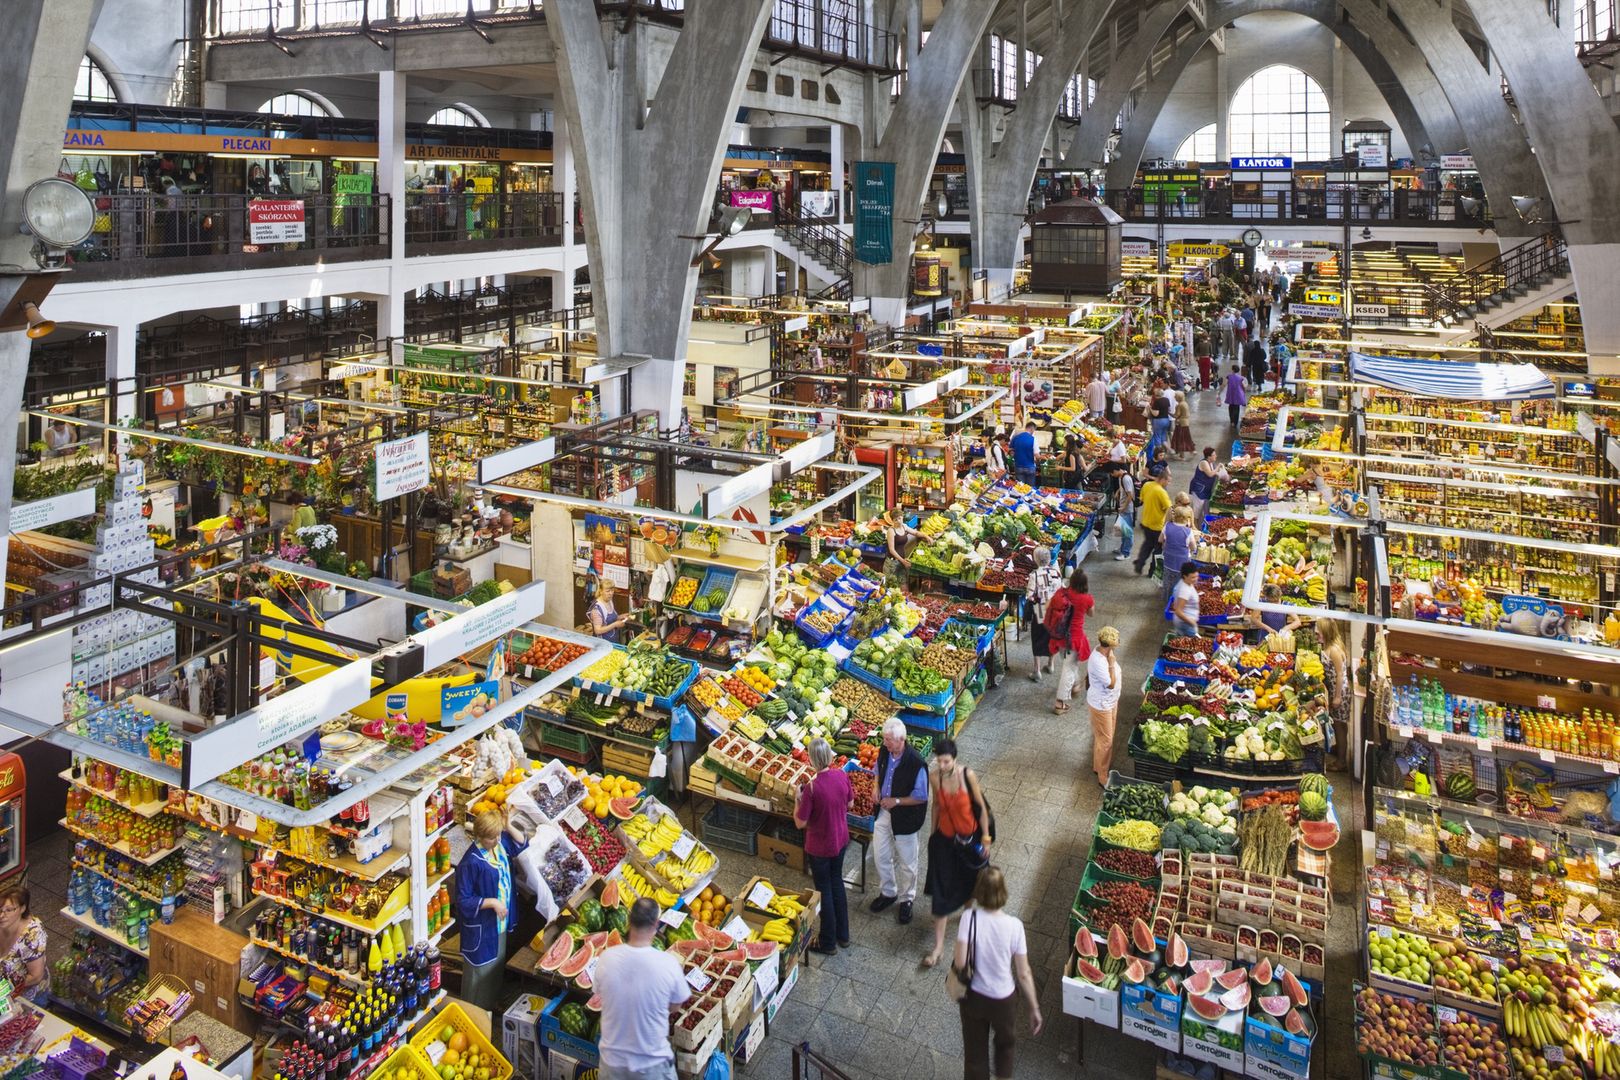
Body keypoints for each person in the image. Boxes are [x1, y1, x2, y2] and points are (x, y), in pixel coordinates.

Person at [954, 867, 1042, 1080]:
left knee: (975, 1055)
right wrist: (1034, 1007)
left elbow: (960, 962)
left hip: (974, 996)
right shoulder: (1015, 926)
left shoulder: (969, 918)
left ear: (979, 891)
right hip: (1004, 1000)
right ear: (1003, 891)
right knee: (1005, 1047)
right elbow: (1024, 973)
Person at [595, 897, 691, 1080]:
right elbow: (676, 1005)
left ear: (629, 921)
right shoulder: (668, 963)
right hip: (652, 1065)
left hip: (612, 1064)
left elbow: (601, 994)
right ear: (656, 924)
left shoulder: (606, 958)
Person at [922, 738, 991, 968]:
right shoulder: (934, 778)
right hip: (944, 840)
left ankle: (968, 912)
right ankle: (938, 948)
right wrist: (933, 834)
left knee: (971, 883)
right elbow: (936, 806)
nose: (942, 765)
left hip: (969, 840)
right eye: (939, 761)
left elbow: (980, 808)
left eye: (946, 761)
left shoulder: (967, 776)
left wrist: (986, 838)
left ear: (955, 759)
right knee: (941, 891)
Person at [454, 808, 525, 1011]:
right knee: (479, 977)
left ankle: (488, 1010)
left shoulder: (500, 845)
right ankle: (473, 1016)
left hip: (499, 924)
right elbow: (463, 900)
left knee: (494, 970)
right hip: (482, 930)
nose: (496, 840)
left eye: (497, 835)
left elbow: (521, 843)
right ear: (479, 836)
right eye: (490, 838)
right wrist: (492, 902)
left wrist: (508, 824)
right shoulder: (471, 863)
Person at [795, 738, 853, 954]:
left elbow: (800, 822)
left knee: (825, 890)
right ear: (829, 756)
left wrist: (797, 801)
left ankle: (827, 942)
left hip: (820, 847)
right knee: (837, 883)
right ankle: (843, 935)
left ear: (811, 760)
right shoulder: (841, 775)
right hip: (840, 841)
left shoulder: (812, 788)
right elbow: (850, 804)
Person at [871, 717, 928, 924]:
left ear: (901, 739)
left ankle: (907, 899)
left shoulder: (916, 762)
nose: (885, 743)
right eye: (885, 739)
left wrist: (896, 801)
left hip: (906, 819)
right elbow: (878, 769)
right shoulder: (885, 751)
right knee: (881, 854)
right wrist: (876, 787)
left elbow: (921, 796)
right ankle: (888, 892)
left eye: (889, 740)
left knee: (908, 862)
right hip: (884, 814)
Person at [1047, 567, 1095, 714]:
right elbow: (1092, 613)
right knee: (1068, 668)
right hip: (1074, 638)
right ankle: (1059, 703)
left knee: (1069, 664)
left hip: (1059, 635)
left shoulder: (1062, 593)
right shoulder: (1087, 598)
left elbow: (1050, 605)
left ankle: (1074, 685)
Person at [1085, 627, 1123, 785]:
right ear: (1110, 645)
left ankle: (1098, 765)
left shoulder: (1104, 654)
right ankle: (1102, 776)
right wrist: (1112, 664)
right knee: (1106, 740)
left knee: (1104, 737)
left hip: (1110, 701)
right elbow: (1110, 684)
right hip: (1102, 705)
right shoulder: (1100, 660)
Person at [0, 888, 47, 1003]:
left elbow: (36, 977)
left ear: (22, 908)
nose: (1, 915)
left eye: (9, 910)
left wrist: (5, 990)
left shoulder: (32, 936)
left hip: (23, 996)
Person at [1026, 545, 1062, 682]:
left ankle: (1037, 670)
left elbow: (1030, 596)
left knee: (1038, 638)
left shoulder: (1034, 575)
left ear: (1036, 559)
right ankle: (1051, 664)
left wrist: (1038, 599)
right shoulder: (1056, 572)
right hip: (1055, 611)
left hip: (1041, 610)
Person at [1318, 619, 1350, 762]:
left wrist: (1337, 697)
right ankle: (1339, 749)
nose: (1316, 632)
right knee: (1339, 725)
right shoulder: (1329, 646)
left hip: (1340, 692)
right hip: (1334, 690)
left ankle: (1341, 762)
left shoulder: (1334, 650)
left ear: (1326, 632)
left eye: (1319, 630)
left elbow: (1340, 674)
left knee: (1339, 726)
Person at [1133, 464, 1172, 575]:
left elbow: (1142, 499)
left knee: (1147, 545)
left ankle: (1140, 563)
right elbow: (1169, 509)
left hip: (1146, 522)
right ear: (1163, 479)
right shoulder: (1161, 492)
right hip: (1157, 526)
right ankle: (1152, 571)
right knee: (1158, 549)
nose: (1168, 483)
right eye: (1168, 481)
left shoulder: (1147, 485)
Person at [1160, 506, 1200, 597]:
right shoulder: (1188, 531)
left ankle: (1167, 599)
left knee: (1168, 581)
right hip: (1182, 564)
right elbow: (1193, 547)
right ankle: (1176, 601)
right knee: (1179, 584)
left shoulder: (1167, 526)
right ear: (1185, 519)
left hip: (1168, 561)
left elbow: (1160, 539)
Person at [1188, 446, 1228, 522]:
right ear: (1209, 457)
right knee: (1197, 512)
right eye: (1214, 455)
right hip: (1199, 490)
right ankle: (1194, 526)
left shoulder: (1211, 463)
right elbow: (1210, 474)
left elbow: (1215, 473)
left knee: (1205, 511)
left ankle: (1201, 526)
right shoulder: (1204, 463)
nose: (1216, 456)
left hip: (1206, 490)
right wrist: (1219, 466)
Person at [883, 510, 921, 586]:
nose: (898, 521)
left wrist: (927, 537)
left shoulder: (904, 526)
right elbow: (892, 550)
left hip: (902, 561)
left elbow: (916, 533)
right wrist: (903, 561)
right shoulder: (891, 531)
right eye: (895, 520)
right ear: (892, 521)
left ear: (902, 518)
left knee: (903, 584)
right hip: (892, 563)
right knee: (890, 586)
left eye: (899, 518)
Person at [1111, 463, 1136, 561]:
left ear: (1116, 470)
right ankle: (1122, 548)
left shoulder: (1126, 479)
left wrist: (1123, 507)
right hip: (1123, 508)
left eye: (1112, 473)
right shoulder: (1121, 477)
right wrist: (1118, 492)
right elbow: (1124, 489)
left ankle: (1126, 553)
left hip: (1127, 509)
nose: (1112, 475)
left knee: (1127, 532)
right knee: (1123, 530)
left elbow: (1130, 495)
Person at [1171, 563, 1202, 637]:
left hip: (1184, 623)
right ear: (1185, 576)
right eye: (1192, 577)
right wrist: (1192, 623)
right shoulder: (1185, 590)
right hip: (1186, 624)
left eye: (1196, 576)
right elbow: (1178, 611)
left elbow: (1175, 605)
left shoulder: (1184, 582)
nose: (1195, 579)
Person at [1009, 421, 1038, 486]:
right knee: (1030, 488)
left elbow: (1010, 451)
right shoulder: (1033, 439)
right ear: (1032, 429)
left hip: (1018, 466)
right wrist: (1044, 457)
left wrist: (1015, 455)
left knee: (1020, 488)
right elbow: (1037, 455)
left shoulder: (1016, 437)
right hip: (1030, 467)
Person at [1171, 390, 1195, 458]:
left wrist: (1169, 413)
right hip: (1186, 422)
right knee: (1186, 438)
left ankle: (1182, 456)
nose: (1174, 397)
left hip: (1180, 423)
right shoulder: (1185, 403)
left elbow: (1176, 415)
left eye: (1175, 396)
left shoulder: (1179, 405)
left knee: (1180, 439)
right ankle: (1191, 450)